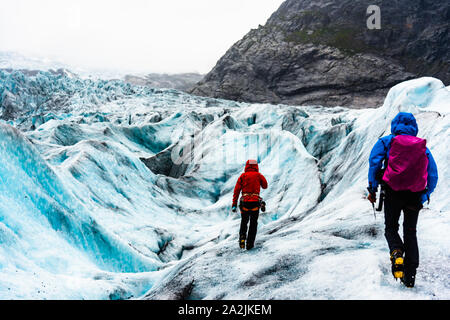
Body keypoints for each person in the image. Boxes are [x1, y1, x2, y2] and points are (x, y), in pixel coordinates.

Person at [367, 112, 438, 288]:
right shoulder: (421, 146)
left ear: (395, 125)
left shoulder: (386, 141)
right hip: (414, 195)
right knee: (411, 232)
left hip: (392, 193)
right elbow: (433, 173)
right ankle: (410, 275)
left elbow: (374, 163)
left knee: (391, 228)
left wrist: (372, 188)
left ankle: (397, 251)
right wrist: (424, 194)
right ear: (414, 127)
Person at [232, 160, 268, 250]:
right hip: (255, 202)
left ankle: (242, 238)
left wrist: (234, 204)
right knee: (253, 223)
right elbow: (265, 186)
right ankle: (249, 244)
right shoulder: (258, 175)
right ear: (256, 166)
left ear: (246, 166)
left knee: (244, 221)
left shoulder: (242, 176)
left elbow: (236, 191)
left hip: (245, 202)